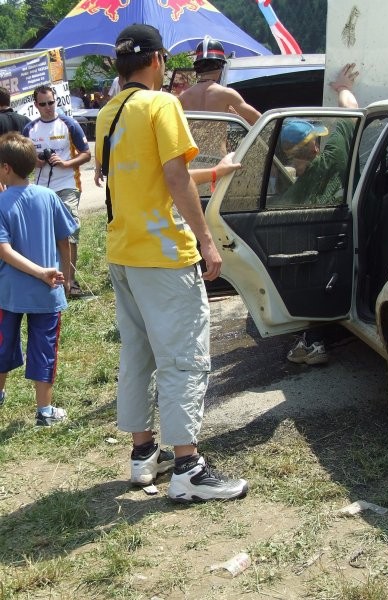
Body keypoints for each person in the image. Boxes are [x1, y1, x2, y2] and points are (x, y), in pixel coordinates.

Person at [95, 24, 248, 502]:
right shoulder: (162, 104)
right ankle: (188, 466)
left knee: (138, 353)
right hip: (163, 255)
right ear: (158, 59)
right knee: (183, 358)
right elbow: (175, 177)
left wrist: (214, 172)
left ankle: (144, 454)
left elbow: (140, 179)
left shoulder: (108, 112)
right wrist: (207, 241)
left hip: (124, 252)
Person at [285, 63, 359, 365]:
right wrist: (343, 89)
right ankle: (315, 341)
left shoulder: (291, 190)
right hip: (342, 236)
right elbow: (353, 114)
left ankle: (311, 339)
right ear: (314, 146)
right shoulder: (333, 157)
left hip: (311, 251)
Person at [0, 132, 77, 421]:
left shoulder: (1, 203)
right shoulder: (48, 196)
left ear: (6, 167)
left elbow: (4, 251)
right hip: (48, 291)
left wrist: (40, 273)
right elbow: (64, 239)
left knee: (2, 342)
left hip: (8, 292)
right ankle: (44, 411)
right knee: (45, 347)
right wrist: (65, 276)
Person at [23, 85, 91, 298]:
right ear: (36, 106)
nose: (47, 108)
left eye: (51, 103)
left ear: (56, 102)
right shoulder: (29, 129)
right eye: (42, 104)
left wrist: (66, 162)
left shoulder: (68, 124)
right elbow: (24, 161)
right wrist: (35, 161)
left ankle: (70, 283)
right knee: (46, 235)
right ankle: (51, 278)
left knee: (70, 232)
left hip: (67, 184)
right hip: (41, 188)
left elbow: (87, 154)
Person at [179, 36, 261, 125]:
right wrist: (236, 116)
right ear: (221, 66)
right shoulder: (227, 94)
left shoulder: (184, 97)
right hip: (218, 139)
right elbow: (258, 119)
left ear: (197, 68)